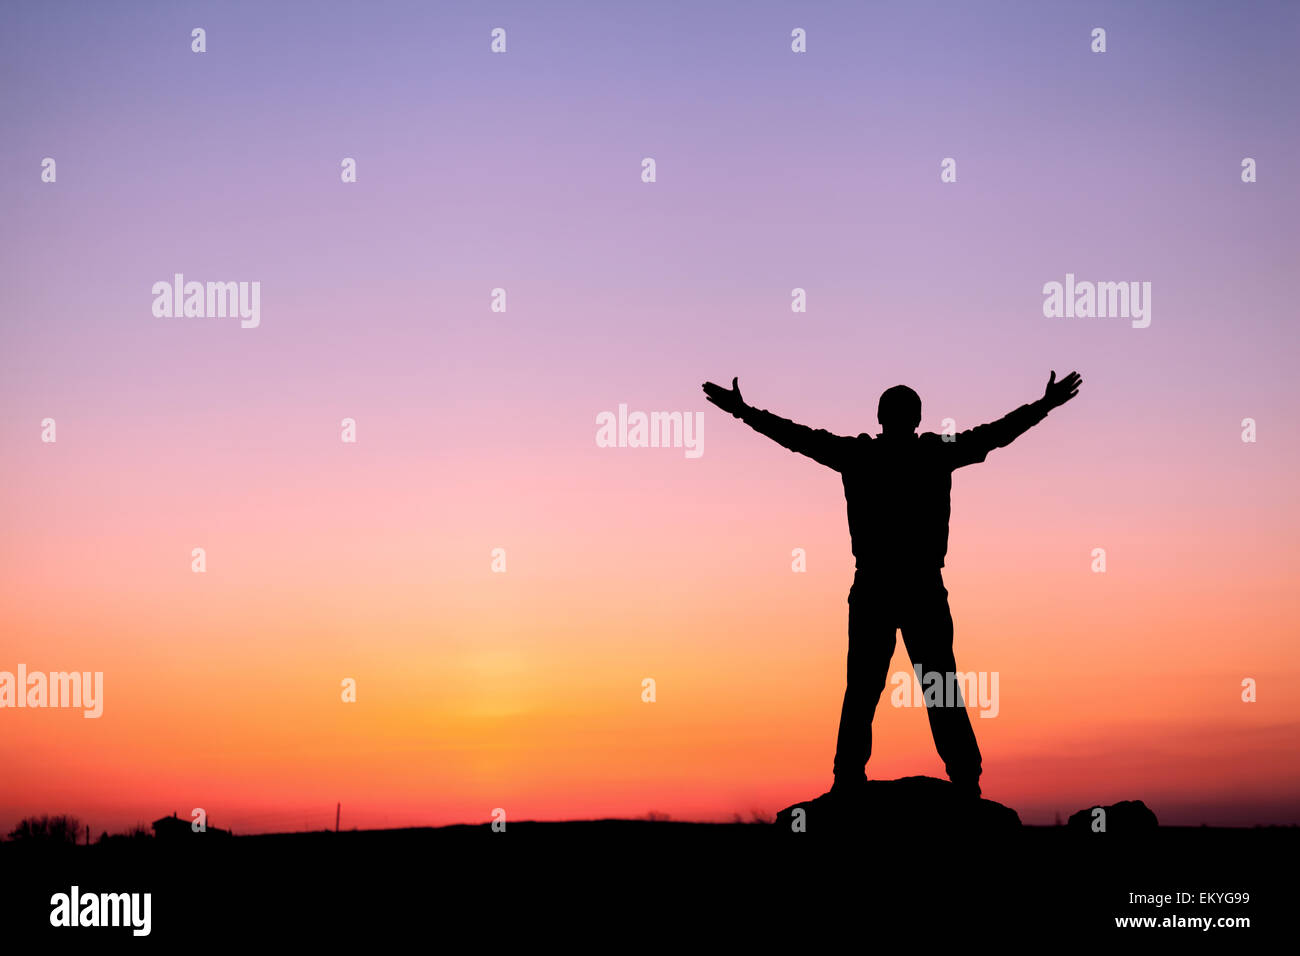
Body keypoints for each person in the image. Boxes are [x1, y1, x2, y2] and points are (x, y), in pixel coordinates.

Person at [702, 371, 1082, 799]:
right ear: (915, 418)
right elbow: (995, 434)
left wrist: (743, 412)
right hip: (906, 586)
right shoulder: (927, 454)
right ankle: (950, 776)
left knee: (871, 686)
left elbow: (796, 437)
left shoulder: (867, 454)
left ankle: (860, 776)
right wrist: (1044, 406)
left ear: (882, 417)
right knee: (924, 685)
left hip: (887, 586)